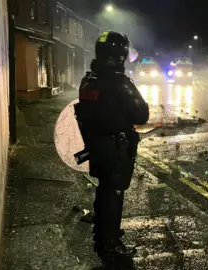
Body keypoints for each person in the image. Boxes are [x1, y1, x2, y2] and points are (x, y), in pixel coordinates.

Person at [74, 31, 149, 266]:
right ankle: (110, 243)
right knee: (114, 194)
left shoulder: (89, 79)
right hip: (117, 147)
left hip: (96, 144)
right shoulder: (119, 82)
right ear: (120, 55)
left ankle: (104, 228)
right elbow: (142, 114)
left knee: (105, 189)